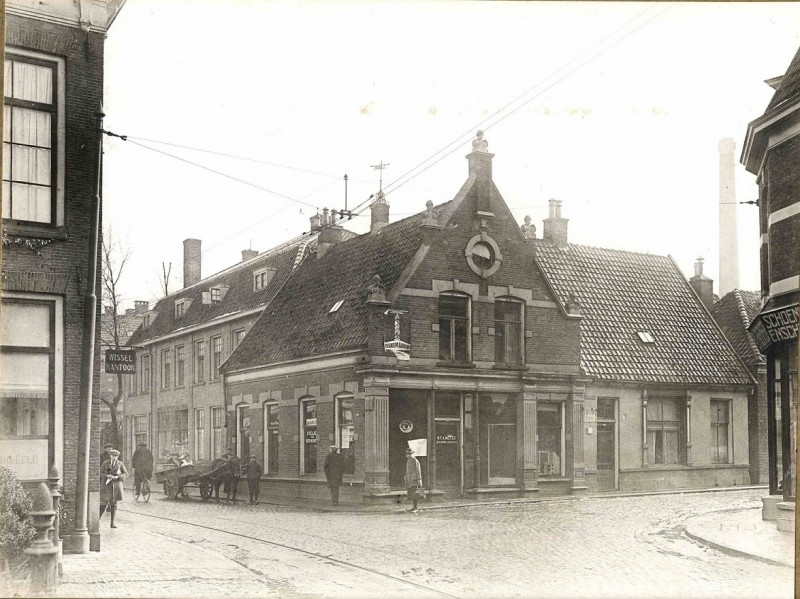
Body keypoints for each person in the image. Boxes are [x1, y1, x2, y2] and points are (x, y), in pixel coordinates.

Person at [100, 449, 128, 528]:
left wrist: (117, 477)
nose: (114, 457)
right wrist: (106, 476)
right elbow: (100, 472)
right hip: (106, 486)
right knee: (103, 504)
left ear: (118, 456)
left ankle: (112, 523)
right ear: (110, 456)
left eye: (116, 456)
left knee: (114, 505)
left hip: (116, 486)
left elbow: (126, 474)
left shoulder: (120, 464)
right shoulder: (105, 463)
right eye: (113, 456)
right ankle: (97, 521)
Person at [404, 447, 423, 513]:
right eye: (407, 454)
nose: (408, 455)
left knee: (415, 493)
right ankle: (414, 507)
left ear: (412, 454)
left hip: (414, 480)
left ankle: (416, 507)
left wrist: (419, 479)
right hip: (410, 479)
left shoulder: (415, 460)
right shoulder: (408, 461)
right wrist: (406, 476)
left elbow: (418, 470)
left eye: (409, 454)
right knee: (412, 493)